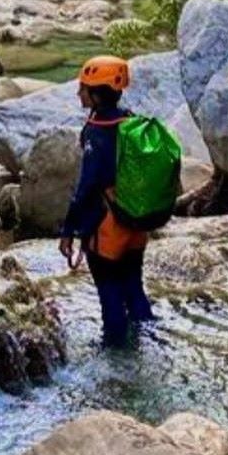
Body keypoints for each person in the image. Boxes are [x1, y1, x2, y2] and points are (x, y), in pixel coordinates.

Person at [59, 56, 156, 349]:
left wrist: (69, 230)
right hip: (137, 223)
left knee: (109, 292)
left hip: (108, 227)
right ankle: (151, 341)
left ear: (97, 95)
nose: (79, 94)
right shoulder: (133, 122)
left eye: (83, 88)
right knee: (134, 287)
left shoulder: (97, 132)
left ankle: (116, 356)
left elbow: (87, 185)